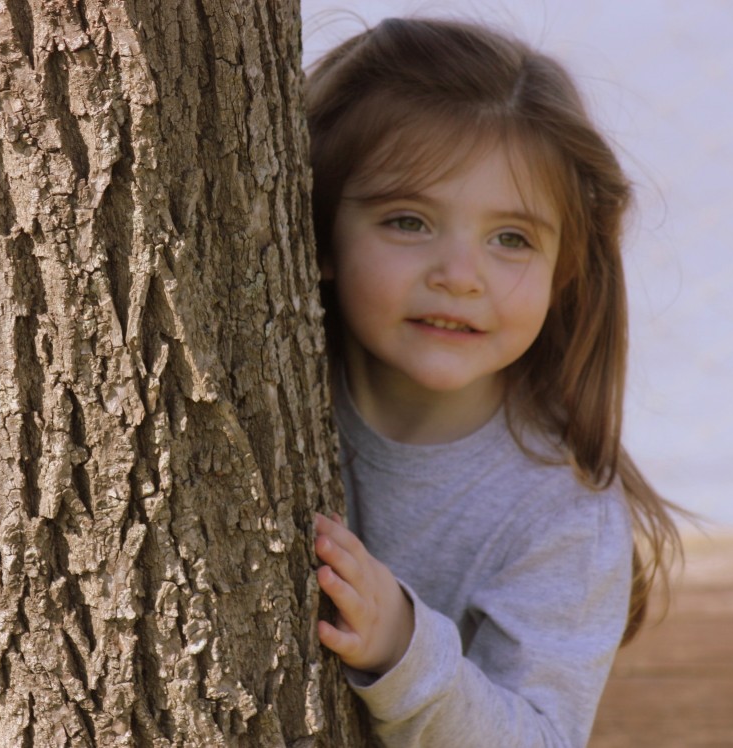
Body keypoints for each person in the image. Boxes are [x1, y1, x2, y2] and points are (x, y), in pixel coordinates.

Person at [306, 17, 683, 747]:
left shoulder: (559, 510)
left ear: (561, 271)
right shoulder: (259, 392)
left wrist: (405, 650)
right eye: (408, 221)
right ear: (320, 233)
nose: (459, 277)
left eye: (510, 239)